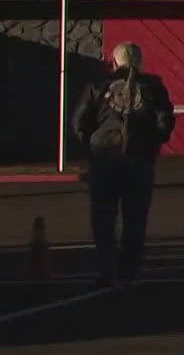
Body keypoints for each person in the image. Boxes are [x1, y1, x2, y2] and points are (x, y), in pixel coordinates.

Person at [71, 42, 175, 286]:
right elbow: (165, 122)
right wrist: (151, 145)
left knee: (103, 216)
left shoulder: (99, 85)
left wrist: (93, 145)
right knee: (135, 218)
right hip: (139, 159)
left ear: (114, 61)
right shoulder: (153, 87)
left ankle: (107, 268)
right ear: (140, 62)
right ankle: (129, 272)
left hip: (104, 158)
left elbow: (79, 121)